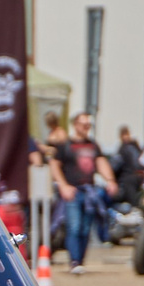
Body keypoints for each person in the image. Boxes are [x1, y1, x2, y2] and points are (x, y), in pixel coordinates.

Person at [49, 113, 113, 271]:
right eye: (84, 124)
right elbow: (54, 165)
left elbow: (100, 162)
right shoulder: (66, 146)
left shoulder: (93, 145)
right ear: (75, 125)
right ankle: (74, 261)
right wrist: (63, 186)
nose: (86, 128)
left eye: (88, 125)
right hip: (73, 191)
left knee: (86, 228)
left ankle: (81, 261)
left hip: (89, 192)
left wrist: (110, 180)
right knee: (74, 226)